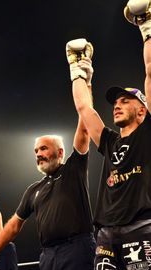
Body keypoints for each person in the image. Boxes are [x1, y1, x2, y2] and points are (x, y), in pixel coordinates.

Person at [66, 0, 151, 268]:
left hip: (143, 226)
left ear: (142, 110)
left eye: (125, 101)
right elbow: (83, 107)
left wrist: (146, 28)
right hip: (105, 233)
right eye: (116, 102)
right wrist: (79, 72)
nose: (117, 104)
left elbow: (150, 72)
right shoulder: (110, 140)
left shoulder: (148, 131)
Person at [0, 128, 96, 268]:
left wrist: (83, 107)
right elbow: (13, 225)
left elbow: (83, 133)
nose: (38, 154)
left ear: (60, 152)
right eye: (36, 151)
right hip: (48, 254)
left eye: (44, 148)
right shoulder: (34, 189)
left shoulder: (73, 170)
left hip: (76, 248)